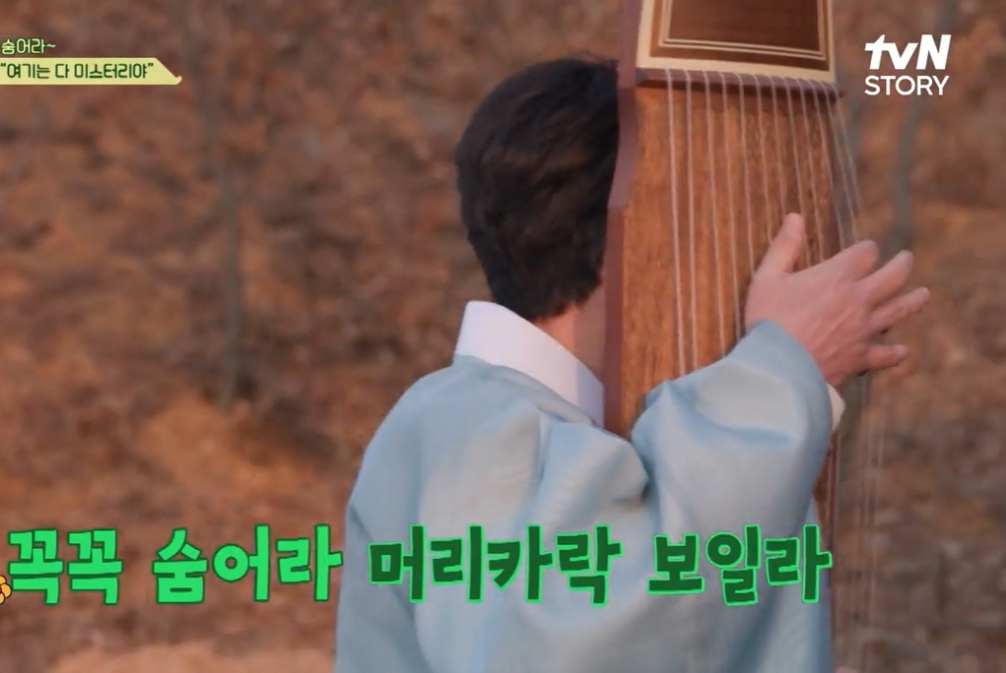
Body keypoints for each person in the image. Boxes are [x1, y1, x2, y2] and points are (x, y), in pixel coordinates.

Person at [333, 58, 929, 673]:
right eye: (703, 230)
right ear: (631, 238)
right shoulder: (477, 431)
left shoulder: (502, 424)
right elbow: (587, 641)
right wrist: (782, 373)